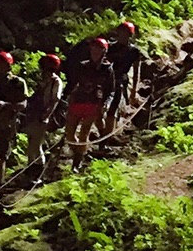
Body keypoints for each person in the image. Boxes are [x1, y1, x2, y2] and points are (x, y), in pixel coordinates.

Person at [64, 38, 113, 168]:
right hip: (79, 100)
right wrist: (68, 97)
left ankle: (77, 162)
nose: (95, 51)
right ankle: (80, 152)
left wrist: (106, 104)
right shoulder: (82, 66)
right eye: (93, 48)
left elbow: (110, 90)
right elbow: (74, 83)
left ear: (104, 51)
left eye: (98, 49)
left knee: (84, 132)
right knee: (69, 133)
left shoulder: (107, 69)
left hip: (94, 102)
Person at [20, 53, 64, 181]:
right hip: (35, 114)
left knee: (36, 144)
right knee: (31, 142)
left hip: (45, 116)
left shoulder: (56, 82)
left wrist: (46, 115)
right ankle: (30, 168)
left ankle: (38, 172)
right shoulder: (42, 80)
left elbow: (55, 100)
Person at [0, 51, 27, 190]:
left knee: (2, 156)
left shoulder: (17, 83)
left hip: (7, 124)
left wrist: (4, 105)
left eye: (1, 65)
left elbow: (22, 105)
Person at [105, 21, 145, 129]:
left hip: (120, 81)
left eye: (125, 33)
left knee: (112, 110)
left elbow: (137, 71)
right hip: (105, 79)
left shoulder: (134, 51)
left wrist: (134, 91)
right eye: (121, 32)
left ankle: (106, 139)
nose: (122, 35)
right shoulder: (110, 47)